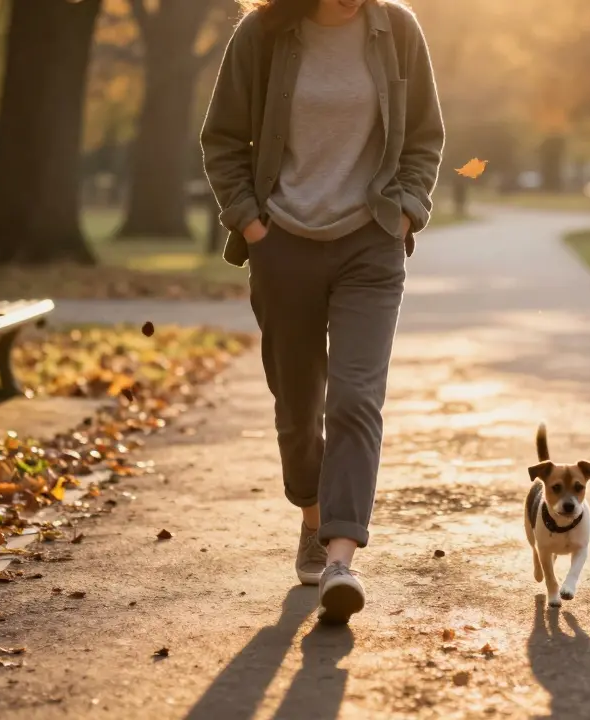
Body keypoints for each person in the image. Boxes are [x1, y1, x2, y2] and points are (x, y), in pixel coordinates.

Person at [200, 0, 445, 624]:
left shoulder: (398, 29)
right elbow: (223, 138)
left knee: (356, 397)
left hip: (371, 241)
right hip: (283, 244)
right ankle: (311, 514)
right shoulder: (261, 34)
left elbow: (425, 137)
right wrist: (251, 224)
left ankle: (341, 557)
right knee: (298, 403)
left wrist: (408, 208)